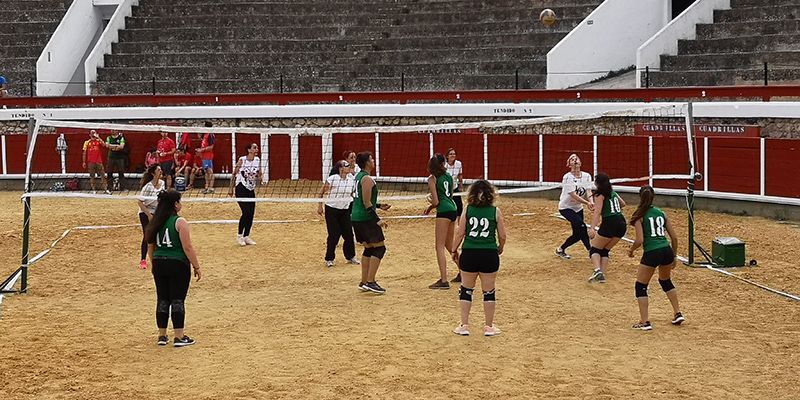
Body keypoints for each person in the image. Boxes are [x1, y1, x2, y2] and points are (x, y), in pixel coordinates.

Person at [145, 190, 201, 347]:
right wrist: (196, 266)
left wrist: (154, 263)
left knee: (162, 299)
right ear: (175, 204)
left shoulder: (155, 221)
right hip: (177, 264)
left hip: (159, 262)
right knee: (177, 299)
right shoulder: (180, 222)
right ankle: (179, 336)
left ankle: (162, 336)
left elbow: (150, 245)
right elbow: (187, 247)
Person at [451, 180, 506, 337]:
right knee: (489, 291)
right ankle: (488, 327)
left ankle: (464, 325)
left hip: (469, 253)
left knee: (466, 289)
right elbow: (502, 235)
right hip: (489, 254)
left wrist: (454, 250)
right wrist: (500, 248)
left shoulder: (467, 210)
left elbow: (460, 233)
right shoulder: (495, 211)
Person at [627, 186, 684, 331]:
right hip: (666, 250)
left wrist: (631, 250)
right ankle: (677, 313)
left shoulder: (639, 215)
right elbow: (675, 237)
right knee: (665, 281)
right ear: (654, 197)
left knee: (641, 286)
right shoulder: (661, 213)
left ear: (640, 197)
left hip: (652, 252)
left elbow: (639, 240)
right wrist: (675, 256)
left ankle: (644, 321)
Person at [351, 152, 391, 294]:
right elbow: (366, 203)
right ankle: (371, 281)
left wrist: (379, 205)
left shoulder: (358, 177)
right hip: (366, 218)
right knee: (380, 248)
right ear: (367, 163)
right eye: (371, 159)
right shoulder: (367, 179)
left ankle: (364, 281)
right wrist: (378, 219)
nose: (373, 160)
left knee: (368, 248)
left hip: (356, 217)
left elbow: (358, 198)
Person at [424, 153, 459, 289]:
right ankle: (463, 271)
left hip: (443, 211)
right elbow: (449, 195)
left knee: (439, 246)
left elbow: (437, 200)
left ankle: (444, 280)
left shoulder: (432, 179)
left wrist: (430, 204)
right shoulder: (449, 176)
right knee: (450, 245)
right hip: (452, 209)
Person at [318, 160, 359, 267]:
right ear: (341, 168)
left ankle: (351, 257)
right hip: (332, 210)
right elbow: (321, 193)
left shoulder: (351, 179)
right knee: (334, 235)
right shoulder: (333, 179)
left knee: (349, 234)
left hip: (345, 210)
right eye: (346, 165)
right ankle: (329, 259)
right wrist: (320, 206)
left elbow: (352, 194)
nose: (349, 166)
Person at [587, 173, 627, 283]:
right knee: (605, 249)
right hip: (622, 222)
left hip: (610, 222)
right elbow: (623, 204)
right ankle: (602, 276)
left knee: (594, 249)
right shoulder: (613, 192)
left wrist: (592, 228)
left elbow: (597, 212)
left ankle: (597, 270)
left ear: (597, 183)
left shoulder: (599, 195)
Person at [556, 154, 594, 259]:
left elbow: (589, 191)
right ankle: (591, 251)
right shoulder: (567, 177)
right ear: (569, 164)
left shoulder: (587, 176)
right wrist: (587, 203)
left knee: (578, 234)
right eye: (572, 159)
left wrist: (591, 201)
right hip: (566, 208)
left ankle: (561, 249)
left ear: (580, 162)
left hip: (578, 208)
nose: (575, 160)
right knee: (582, 226)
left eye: (576, 158)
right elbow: (573, 195)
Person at [228, 143, 262, 246]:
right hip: (241, 188)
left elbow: (259, 172)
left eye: (257, 147)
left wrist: (261, 178)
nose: (256, 149)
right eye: (254, 147)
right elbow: (234, 174)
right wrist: (230, 188)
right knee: (246, 212)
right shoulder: (242, 160)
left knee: (251, 213)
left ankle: (246, 236)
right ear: (249, 150)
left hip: (250, 189)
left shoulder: (257, 160)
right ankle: (239, 236)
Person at [137, 164, 166, 270]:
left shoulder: (162, 183)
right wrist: (149, 215)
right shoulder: (147, 187)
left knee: (159, 233)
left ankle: (159, 257)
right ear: (153, 173)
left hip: (155, 211)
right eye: (158, 170)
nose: (161, 171)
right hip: (144, 211)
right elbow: (140, 202)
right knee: (147, 235)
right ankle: (143, 260)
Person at [445, 147, 464, 283]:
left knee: (446, 244)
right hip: (447, 194)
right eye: (451, 154)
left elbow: (460, 176)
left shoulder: (458, 164)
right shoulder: (444, 168)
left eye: (454, 154)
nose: (453, 156)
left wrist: (461, 186)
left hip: (454, 192)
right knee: (447, 244)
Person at [82, 130, 110, 194]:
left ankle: (105, 189)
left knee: (103, 175)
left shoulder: (98, 141)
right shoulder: (87, 142)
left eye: (94, 133)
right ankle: (93, 190)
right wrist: (84, 162)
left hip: (98, 161)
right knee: (92, 176)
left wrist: (98, 137)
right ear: (89, 135)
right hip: (90, 161)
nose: (93, 134)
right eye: (91, 133)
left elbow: (104, 145)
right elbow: (84, 152)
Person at [196, 122, 215, 194]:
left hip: (208, 156)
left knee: (210, 171)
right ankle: (206, 187)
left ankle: (211, 187)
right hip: (204, 156)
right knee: (206, 172)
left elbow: (211, 147)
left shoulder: (210, 134)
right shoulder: (205, 135)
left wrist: (201, 150)